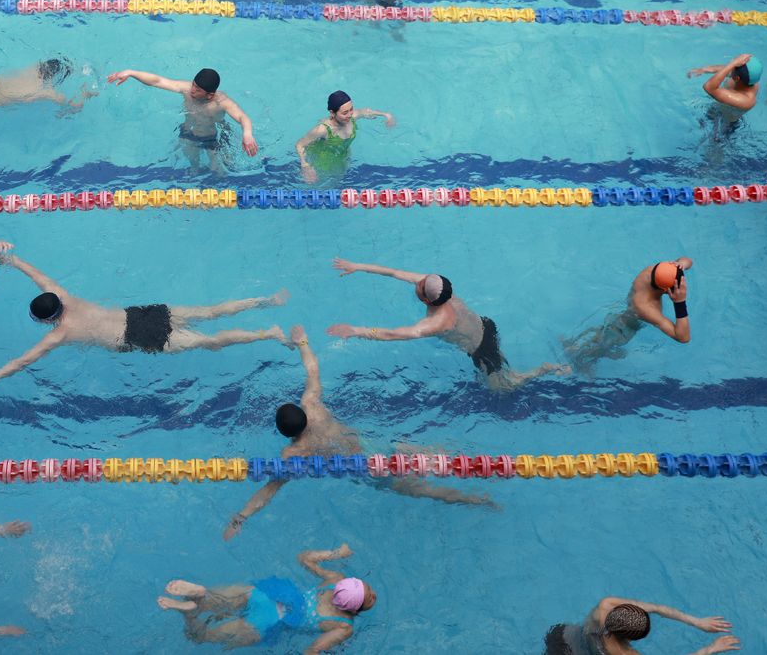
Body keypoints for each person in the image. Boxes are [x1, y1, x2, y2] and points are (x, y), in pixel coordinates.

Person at [223, 325, 495, 541]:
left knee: (426, 490)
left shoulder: (294, 453)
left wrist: (240, 518)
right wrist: (303, 341)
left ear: (284, 433)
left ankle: (474, 499)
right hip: (374, 444)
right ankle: (483, 462)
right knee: (434, 455)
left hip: (366, 469)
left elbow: (270, 488)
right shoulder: (314, 406)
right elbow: (312, 369)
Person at [0, 256, 288, 393]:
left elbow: (24, 360)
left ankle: (267, 333)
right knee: (210, 311)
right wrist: (8, 259)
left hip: (137, 336)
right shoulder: (64, 295)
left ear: (45, 321)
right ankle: (265, 301)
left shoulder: (61, 334)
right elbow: (36, 274)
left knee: (209, 341)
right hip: (140, 314)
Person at [325, 259, 569, 390]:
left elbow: (393, 335)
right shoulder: (441, 289)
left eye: (419, 286)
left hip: (479, 347)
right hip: (486, 325)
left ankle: (542, 370)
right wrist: (358, 267)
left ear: (425, 297)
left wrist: (356, 331)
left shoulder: (435, 323)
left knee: (502, 389)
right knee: (497, 371)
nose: (417, 282)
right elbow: (395, 272)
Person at [156, 544, 374, 652]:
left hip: (269, 594)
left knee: (219, 601)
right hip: (269, 622)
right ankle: (187, 613)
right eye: (370, 595)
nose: (374, 594)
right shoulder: (344, 627)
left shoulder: (335, 578)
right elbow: (312, 651)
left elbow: (304, 558)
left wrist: (336, 553)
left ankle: (201, 596)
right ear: (353, 611)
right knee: (201, 637)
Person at [106, 67, 259, 171]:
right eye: (193, 85)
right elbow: (157, 81)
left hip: (211, 139)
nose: (193, 90)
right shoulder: (187, 89)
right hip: (187, 134)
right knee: (194, 167)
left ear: (210, 95)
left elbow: (242, 116)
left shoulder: (221, 102)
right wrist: (131, 72)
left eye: (198, 89)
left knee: (218, 171)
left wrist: (247, 133)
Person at [562, 258, 693, 373]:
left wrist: (680, 263)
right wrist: (679, 302)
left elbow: (688, 260)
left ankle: (571, 345)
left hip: (619, 318)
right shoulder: (646, 308)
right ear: (666, 291)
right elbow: (683, 337)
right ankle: (558, 367)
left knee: (602, 341)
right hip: (622, 332)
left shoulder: (652, 271)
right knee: (588, 359)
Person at [544, 598, 739, 655]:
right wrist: (711, 648)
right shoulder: (625, 654)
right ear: (629, 638)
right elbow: (657, 607)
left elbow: (655, 608)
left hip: (563, 638)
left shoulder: (606, 605)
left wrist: (697, 621)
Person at [295, 89, 394, 183]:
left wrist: (386, 115)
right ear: (332, 113)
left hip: (342, 157)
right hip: (321, 161)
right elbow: (299, 144)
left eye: (351, 109)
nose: (350, 114)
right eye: (345, 113)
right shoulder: (323, 129)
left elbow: (366, 111)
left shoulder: (351, 117)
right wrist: (305, 165)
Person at [686, 53, 761, 131]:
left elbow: (709, 87)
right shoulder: (748, 78)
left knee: (713, 141)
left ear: (736, 78)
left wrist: (733, 64)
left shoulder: (746, 100)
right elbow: (725, 70)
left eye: (732, 66)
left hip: (726, 123)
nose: (729, 66)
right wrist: (704, 70)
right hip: (717, 108)